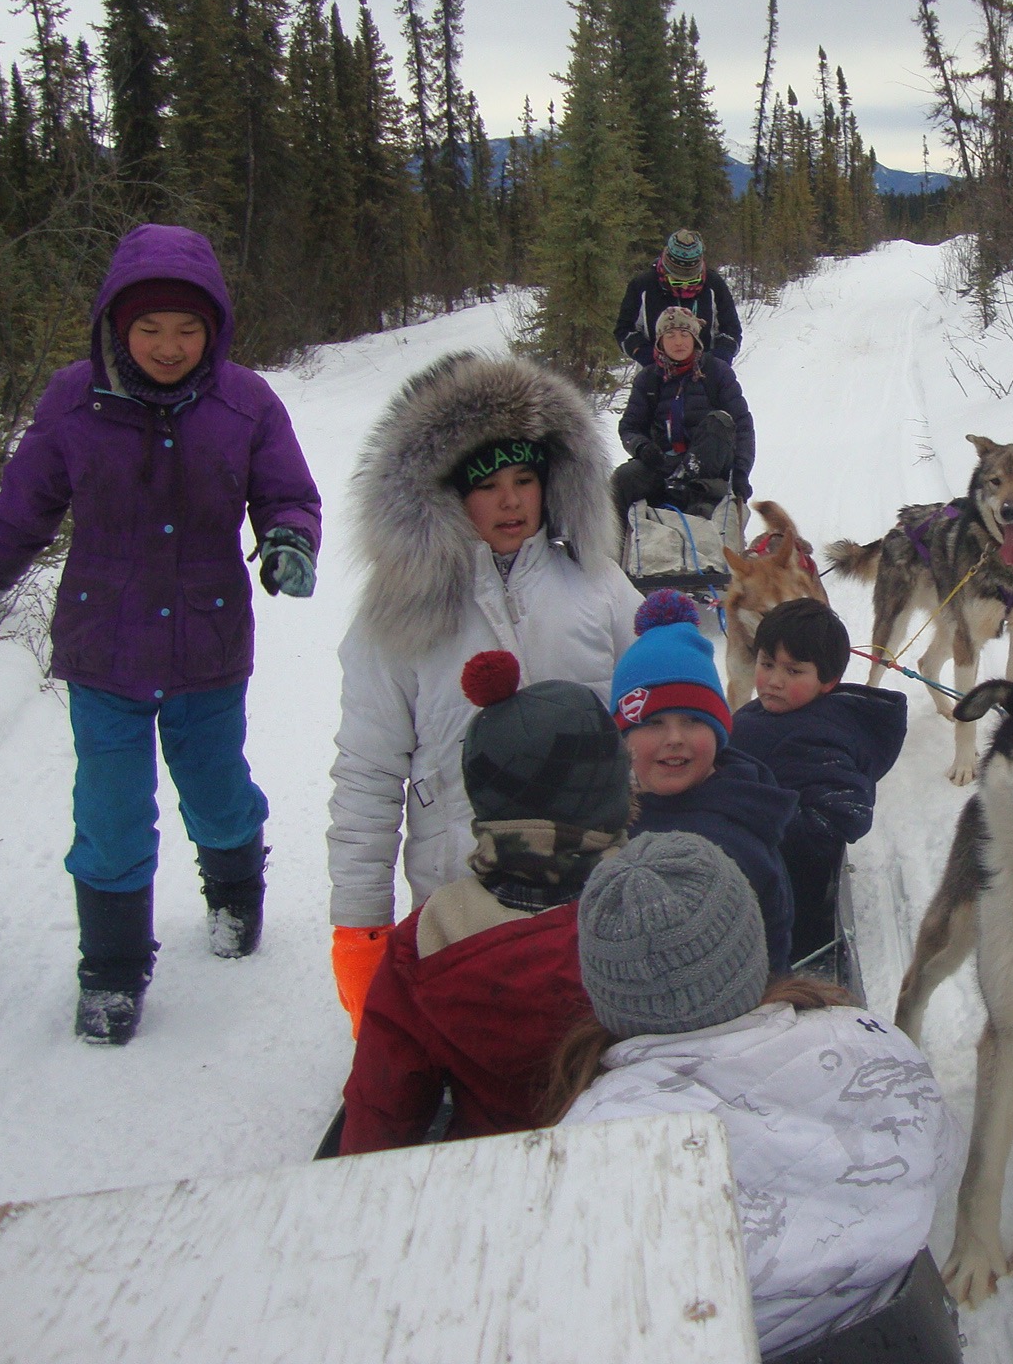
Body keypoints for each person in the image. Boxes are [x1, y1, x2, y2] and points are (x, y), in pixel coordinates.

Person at [0, 222, 322, 1046]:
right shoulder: (72, 401)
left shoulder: (245, 401)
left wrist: (287, 540)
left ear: (213, 327)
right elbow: (22, 512)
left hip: (209, 648)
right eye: (149, 328)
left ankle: (234, 890)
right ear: (116, 324)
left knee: (216, 794)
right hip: (104, 648)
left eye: (187, 328)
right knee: (109, 817)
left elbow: (287, 493)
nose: (168, 345)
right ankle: (110, 973)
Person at [545, 830, 957, 1358]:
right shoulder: (868, 1043)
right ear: (749, 946)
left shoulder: (585, 1145)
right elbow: (940, 1155)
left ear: (603, 987)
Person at [327, 351, 642, 1036]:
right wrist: (361, 927)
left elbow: (651, 715)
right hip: (458, 896)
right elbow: (368, 774)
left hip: (591, 882)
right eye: (488, 484)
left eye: (525, 479)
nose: (511, 500)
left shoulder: (598, 586)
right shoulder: (403, 612)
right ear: (443, 494)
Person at [337, 653, 627, 1155]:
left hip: (489, 1177)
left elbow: (381, 1113)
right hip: (646, 1170)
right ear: (613, 788)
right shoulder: (662, 902)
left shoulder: (432, 937)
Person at [611, 590, 796, 972]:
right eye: (652, 723)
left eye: (693, 720)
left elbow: (772, 946)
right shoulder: (606, 825)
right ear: (624, 738)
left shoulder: (742, 828)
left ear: (719, 732)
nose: (674, 738)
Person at [731, 600, 907, 965]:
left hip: (788, 906)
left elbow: (845, 815)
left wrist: (757, 812)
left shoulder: (818, 737)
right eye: (767, 664)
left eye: (793, 671)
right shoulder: (772, 713)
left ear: (827, 682)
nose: (774, 681)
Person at [611, 306, 754, 520]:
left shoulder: (717, 372)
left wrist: (741, 473)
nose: (678, 342)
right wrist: (642, 447)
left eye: (685, 335)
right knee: (622, 479)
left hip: (708, 467)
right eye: (670, 335)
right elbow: (629, 427)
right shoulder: (648, 379)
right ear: (660, 341)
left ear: (695, 339)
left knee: (719, 422)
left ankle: (686, 486)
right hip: (663, 464)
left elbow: (743, 426)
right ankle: (616, 548)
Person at [614, 227, 743, 364]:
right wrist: (647, 357)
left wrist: (717, 360)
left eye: (692, 281)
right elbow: (624, 330)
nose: (685, 286)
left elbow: (731, 329)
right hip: (654, 373)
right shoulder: (643, 286)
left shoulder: (714, 285)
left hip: (708, 373)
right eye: (676, 281)